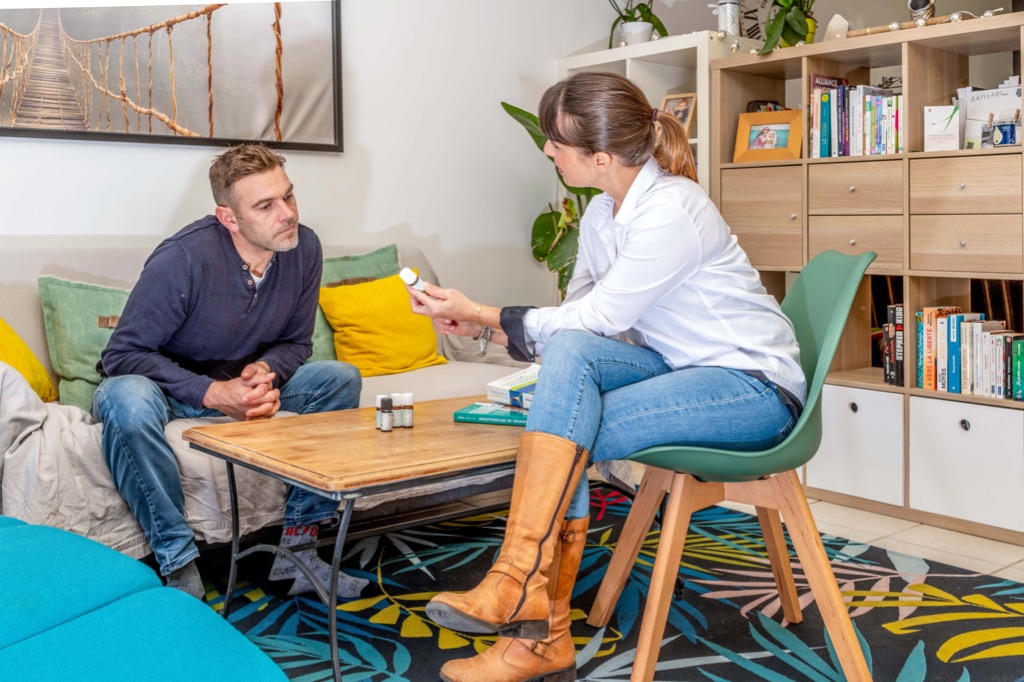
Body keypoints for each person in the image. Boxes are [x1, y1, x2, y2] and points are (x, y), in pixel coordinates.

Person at [406, 72, 806, 682]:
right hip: (680, 370)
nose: (547, 151)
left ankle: (531, 622)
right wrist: (485, 332)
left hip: (751, 386)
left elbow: (604, 315)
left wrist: (485, 311)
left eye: (556, 142)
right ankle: (525, 603)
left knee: (572, 426)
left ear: (599, 155)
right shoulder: (599, 214)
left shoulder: (673, 209)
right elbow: (581, 332)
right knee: (569, 384)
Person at [93, 143, 368, 602]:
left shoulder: (305, 248)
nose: (287, 214)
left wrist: (264, 370)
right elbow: (123, 354)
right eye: (266, 205)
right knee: (126, 399)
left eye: (289, 196)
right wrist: (215, 393)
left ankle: (297, 553)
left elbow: (297, 342)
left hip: (238, 383)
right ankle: (179, 565)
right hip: (164, 387)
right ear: (229, 218)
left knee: (340, 378)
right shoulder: (181, 258)